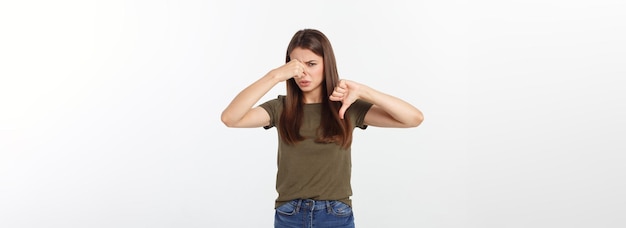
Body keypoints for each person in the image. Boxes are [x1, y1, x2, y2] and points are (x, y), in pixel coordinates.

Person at [221, 28, 423, 228]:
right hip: (289, 214)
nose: (303, 73)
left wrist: (363, 91)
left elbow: (413, 118)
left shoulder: (346, 107)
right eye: (296, 66)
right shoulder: (281, 108)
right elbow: (230, 118)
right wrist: (274, 76)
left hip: (335, 214)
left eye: (311, 64)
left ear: (327, 64)